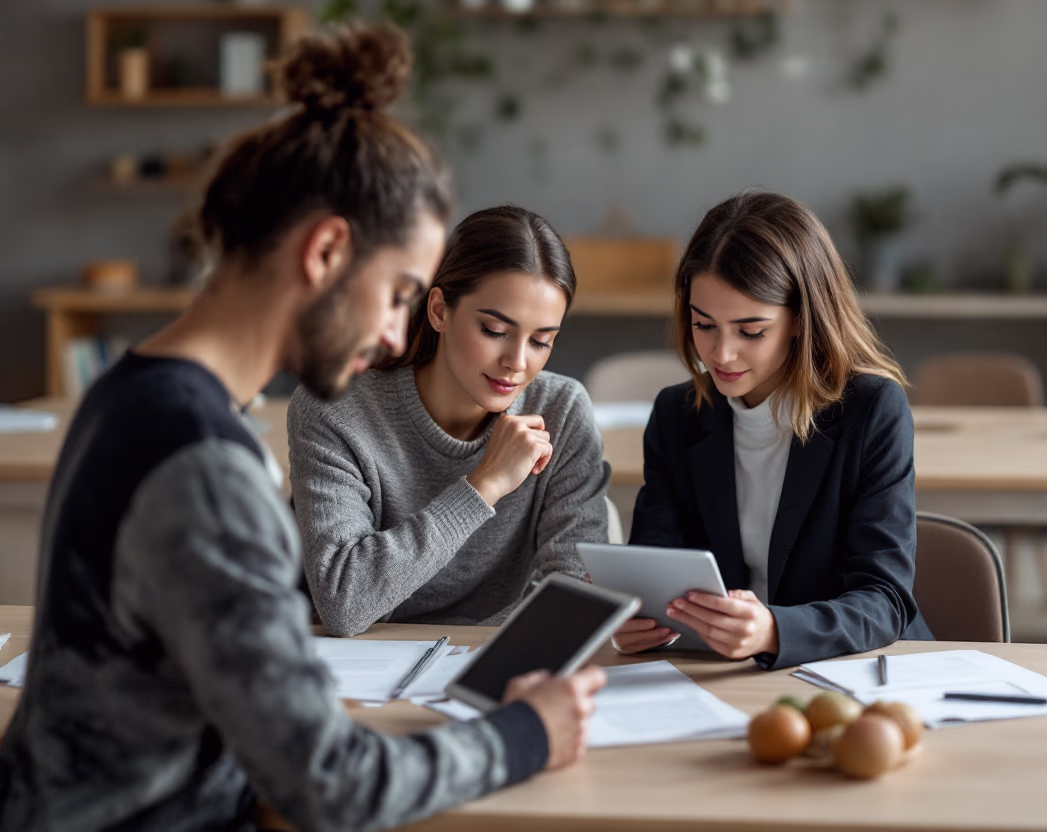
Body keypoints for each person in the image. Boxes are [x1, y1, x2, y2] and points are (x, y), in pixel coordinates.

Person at [0, 26, 604, 832]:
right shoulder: (202, 464)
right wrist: (527, 733)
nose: (396, 336)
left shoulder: (128, 395)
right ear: (324, 253)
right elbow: (333, 784)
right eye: (397, 294)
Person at [616, 191, 932, 669]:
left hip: (862, 670)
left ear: (801, 320)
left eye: (751, 331)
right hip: (723, 673)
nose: (720, 354)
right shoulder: (675, 415)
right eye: (704, 324)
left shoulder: (871, 411)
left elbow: (884, 599)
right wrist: (636, 620)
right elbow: (656, 573)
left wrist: (775, 630)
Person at [289, 205, 610, 637]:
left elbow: (571, 591)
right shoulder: (335, 409)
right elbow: (345, 602)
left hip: (494, 664)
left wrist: (465, 651)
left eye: (540, 341)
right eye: (495, 331)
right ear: (439, 310)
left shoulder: (563, 409)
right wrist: (484, 486)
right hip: (361, 671)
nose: (517, 362)